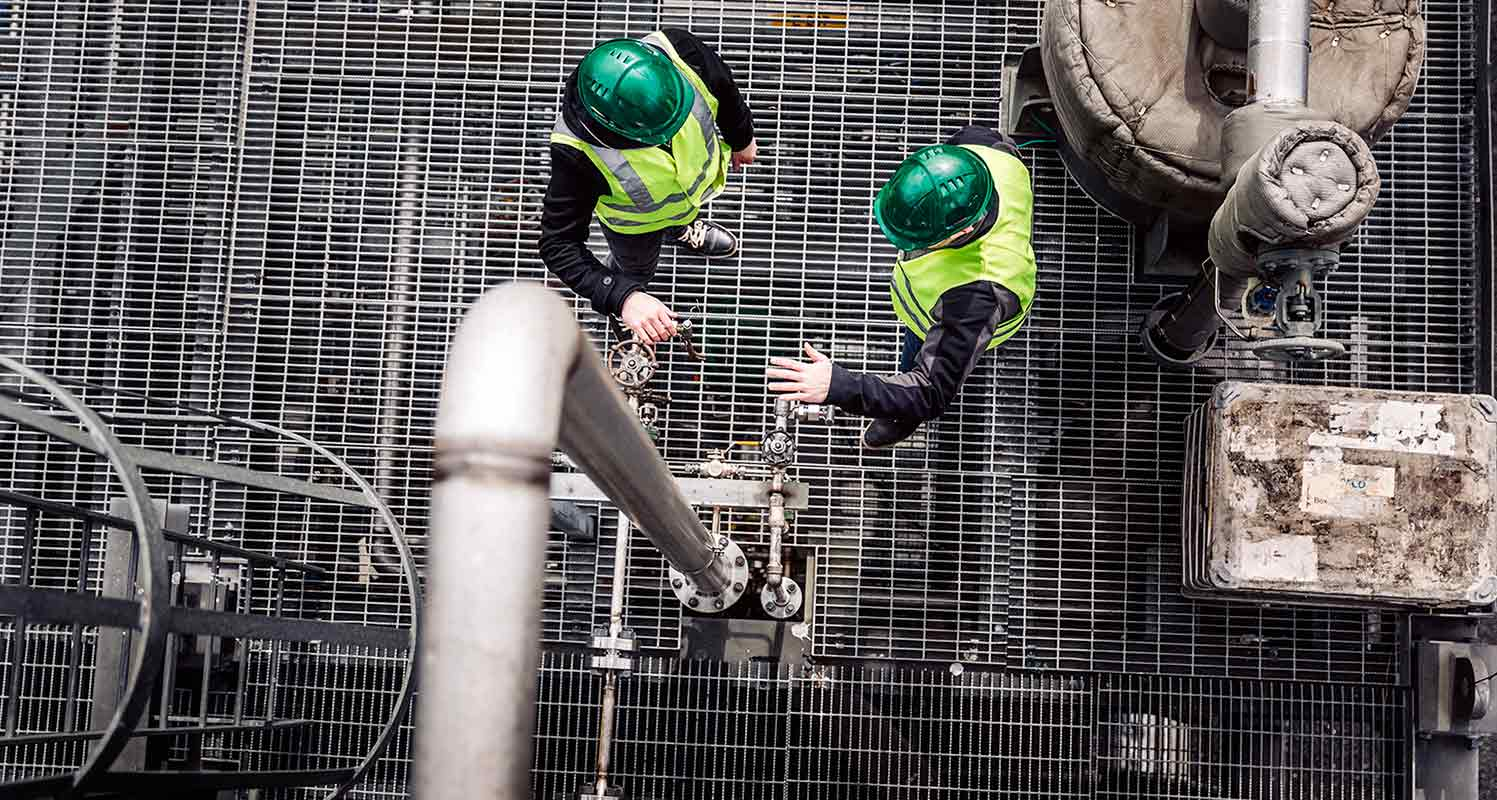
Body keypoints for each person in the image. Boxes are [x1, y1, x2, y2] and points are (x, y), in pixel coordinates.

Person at [766, 126, 1037, 449]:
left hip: (950, 316)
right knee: (916, 351)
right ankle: (899, 401)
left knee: (922, 368)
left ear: (962, 231)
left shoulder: (975, 296)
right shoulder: (983, 150)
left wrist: (838, 386)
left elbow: (933, 391)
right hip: (929, 299)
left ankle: (905, 415)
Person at [540, 30, 758, 347]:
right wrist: (623, 296)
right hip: (635, 228)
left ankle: (682, 229)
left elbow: (723, 85)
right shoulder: (575, 154)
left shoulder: (679, 51)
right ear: (619, 132)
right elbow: (557, 245)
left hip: (688, 197)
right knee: (636, 268)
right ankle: (632, 293)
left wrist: (742, 138)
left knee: (680, 212)